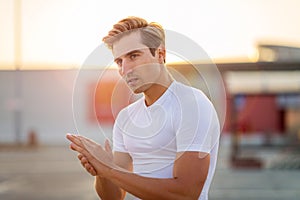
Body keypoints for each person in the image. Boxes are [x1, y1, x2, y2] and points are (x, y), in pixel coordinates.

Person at [67, 16, 220, 200]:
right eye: (119, 62)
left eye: (134, 56)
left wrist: (110, 169)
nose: (125, 69)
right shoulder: (126, 118)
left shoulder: (192, 104)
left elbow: (186, 194)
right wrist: (102, 170)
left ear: (160, 55)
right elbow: (114, 196)